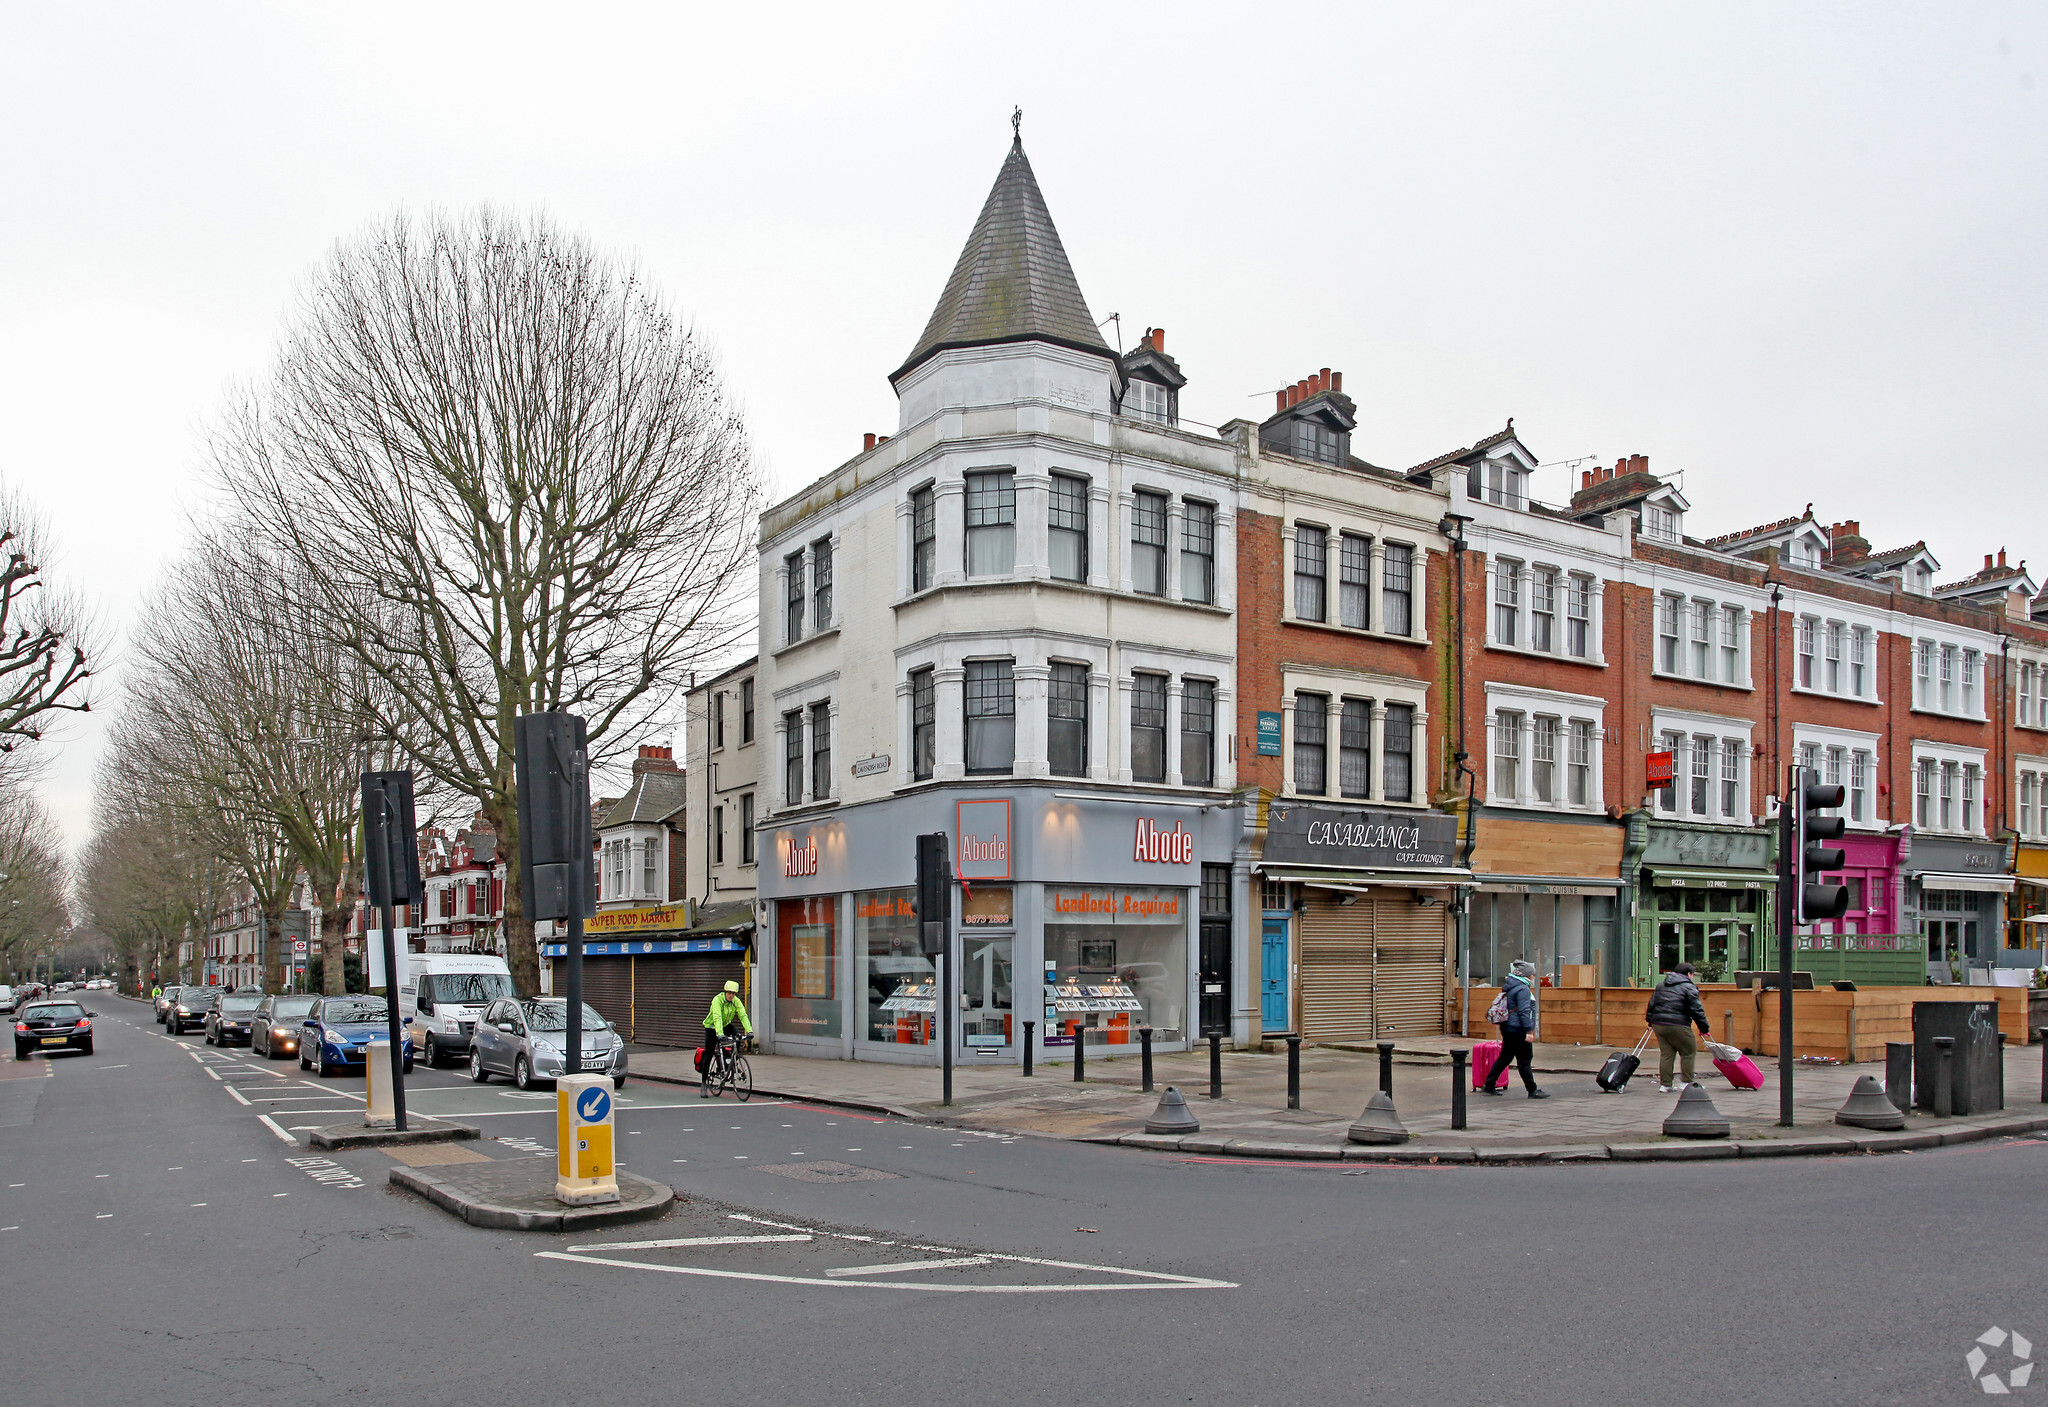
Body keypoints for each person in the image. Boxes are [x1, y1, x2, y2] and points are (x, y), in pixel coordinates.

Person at [1483, 959, 1550, 1098]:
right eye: (1532, 975)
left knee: (1506, 1057)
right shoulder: (1523, 989)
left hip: (1508, 1026)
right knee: (1524, 1060)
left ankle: (1489, 1084)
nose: (1534, 977)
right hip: (1518, 1029)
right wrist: (1529, 1031)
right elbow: (1524, 1011)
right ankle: (1532, 1090)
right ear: (1526, 976)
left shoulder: (1511, 986)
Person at [1644, 961, 1712, 1092]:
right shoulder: (1689, 987)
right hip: (1678, 1024)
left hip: (1659, 1024)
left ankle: (1665, 1085)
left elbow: (1651, 1005)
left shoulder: (1661, 985)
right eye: (1693, 975)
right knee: (1689, 1051)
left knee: (1666, 1054)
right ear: (1688, 974)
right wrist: (1704, 1028)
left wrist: (1650, 1022)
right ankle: (1686, 1083)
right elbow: (1697, 1010)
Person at [700, 979, 753, 1098]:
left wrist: (749, 1031)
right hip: (712, 1027)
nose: (731, 995)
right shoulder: (717, 1000)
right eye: (729, 993)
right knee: (708, 1055)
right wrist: (720, 1034)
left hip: (725, 1025)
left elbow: (743, 1015)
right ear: (725, 992)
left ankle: (731, 1059)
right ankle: (703, 1084)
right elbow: (717, 1017)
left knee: (738, 1036)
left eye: (733, 993)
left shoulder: (736, 1001)